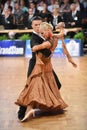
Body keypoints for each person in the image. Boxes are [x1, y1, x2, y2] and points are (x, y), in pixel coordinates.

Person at [15, 22, 68, 122]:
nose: (38, 27)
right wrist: (60, 28)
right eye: (36, 25)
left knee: (55, 85)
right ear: (32, 26)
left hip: (45, 66)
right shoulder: (36, 38)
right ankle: (23, 111)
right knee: (31, 87)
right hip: (37, 65)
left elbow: (45, 44)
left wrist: (60, 27)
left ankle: (46, 105)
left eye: (39, 25)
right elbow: (43, 46)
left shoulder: (47, 37)